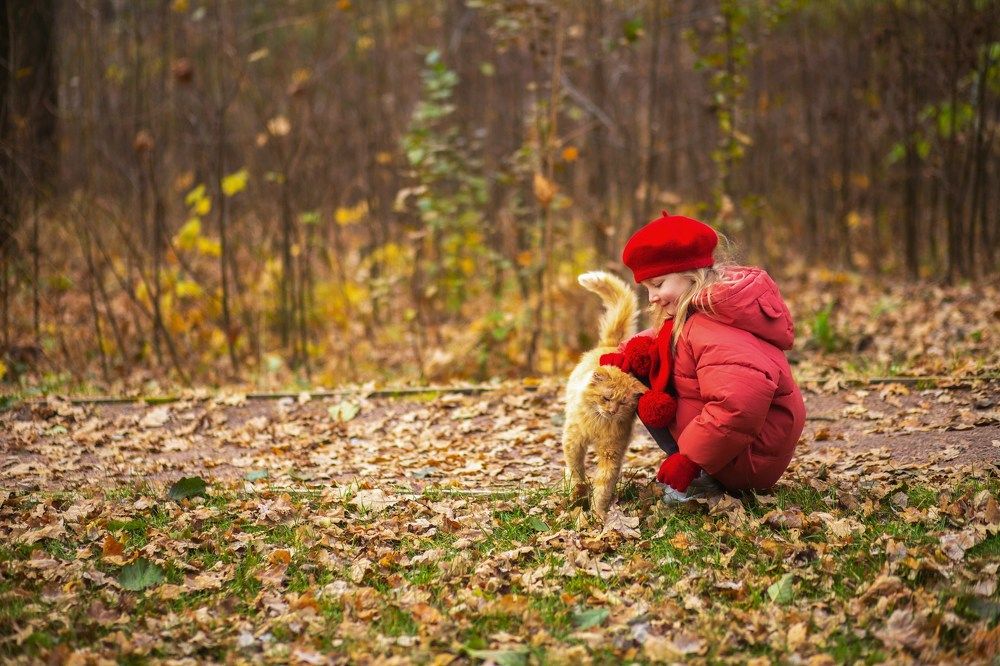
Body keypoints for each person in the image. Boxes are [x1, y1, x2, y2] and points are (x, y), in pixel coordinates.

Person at [600, 211, 806, 498]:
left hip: (748, 458)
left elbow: (737, 406)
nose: (652, 297)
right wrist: (627, 352)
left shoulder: (715, 329)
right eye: (647, 289)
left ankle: (700, 477)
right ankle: (699, 466)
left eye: (658, 285)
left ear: (691, 275)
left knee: (646, 380)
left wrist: (690, 460)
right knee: (641, 366)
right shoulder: (707, 309)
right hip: (742, 447)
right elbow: (666, 337)